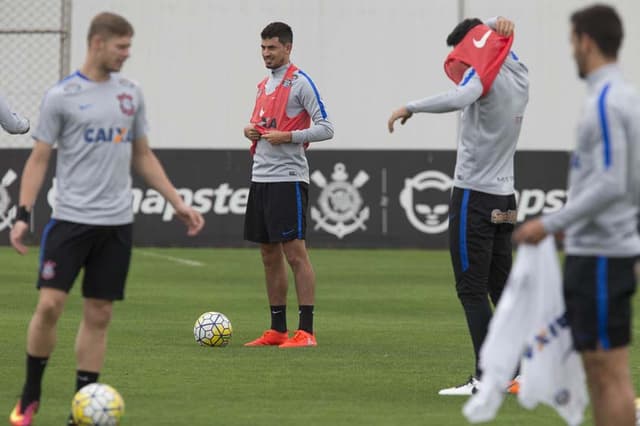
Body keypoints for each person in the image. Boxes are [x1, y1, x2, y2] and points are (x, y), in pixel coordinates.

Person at [8, 12, 204, 426]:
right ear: (97, 43)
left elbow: (142, 155)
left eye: (129, 47)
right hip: (70, 221)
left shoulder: (131, 94)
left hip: (116, 224)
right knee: (49, 306)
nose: (127, 55)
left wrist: (177, 202)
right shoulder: (61, 96)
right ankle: (30, 394)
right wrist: (24, 213)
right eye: (122, 47)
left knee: (100, 314)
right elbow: (39, 158)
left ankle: (83, 406)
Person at [388, 16, 529, 395]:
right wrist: (500, 36)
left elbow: (464, 95)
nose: (462, 67)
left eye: (463, 57)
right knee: (502, 289)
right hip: (506, 197)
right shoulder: (521, 73)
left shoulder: (481, 78)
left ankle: (488, 378)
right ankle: (516, 371)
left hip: (474, 196)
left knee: (471, 290)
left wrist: (411, 106)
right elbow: (501, 58)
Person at [514, 5, 640, 425]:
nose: (571, 51)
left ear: (586, 41)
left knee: (607, 373)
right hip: (603, 250)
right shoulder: (623, 97)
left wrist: (549, 224)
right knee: (599, 371)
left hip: (602, 256)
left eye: (572, 42)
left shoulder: (606, 101)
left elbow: (611, 182)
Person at [242, 22, 334, 348]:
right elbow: (263, 125)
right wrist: (250, 131)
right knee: (268, 254)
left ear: (287, 48)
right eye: (263, 48)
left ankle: (306, 331)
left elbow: (326, 128)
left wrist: (290, 137)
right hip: (261, 176)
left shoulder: (301, 83)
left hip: (288, 178)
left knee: (295, 253)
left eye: (272, 48)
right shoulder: (262, 86)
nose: (266, 53)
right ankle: (277, 329)